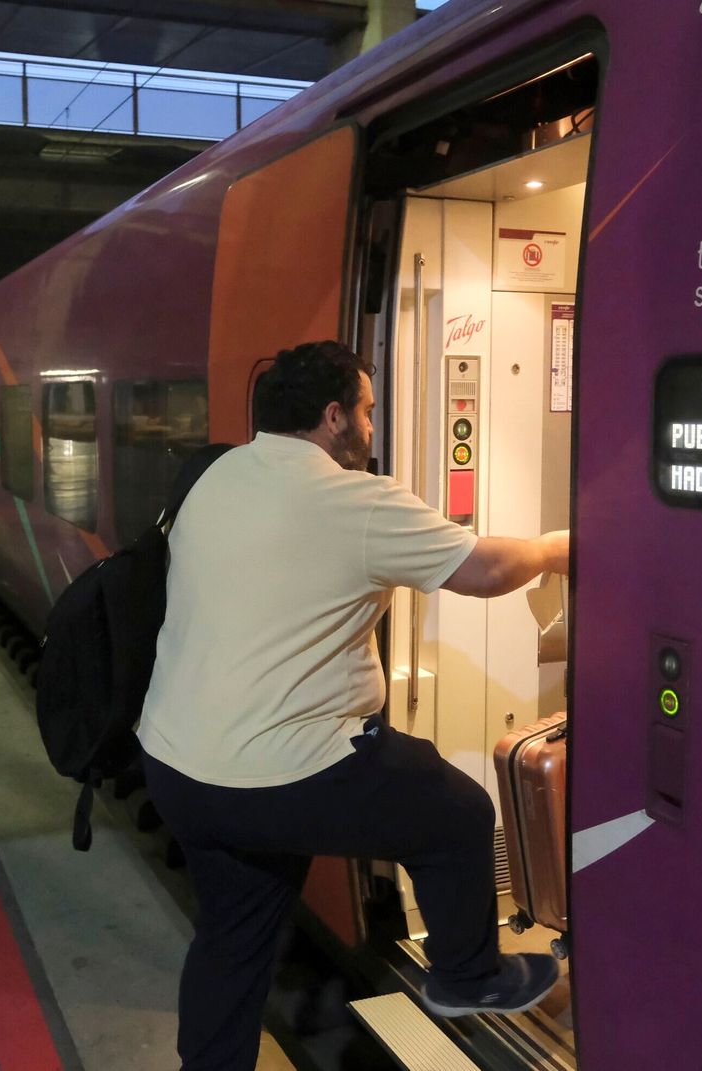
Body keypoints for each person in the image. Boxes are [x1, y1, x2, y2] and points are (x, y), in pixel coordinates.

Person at [138, 339, 571, 1071]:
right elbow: (485, 569)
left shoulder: (214, 474)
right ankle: (467, 977)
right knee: (455, 814)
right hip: (278, 770)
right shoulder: (356, 498)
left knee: (234, 936)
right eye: (368, 410)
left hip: (178, 764)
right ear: (334, 416)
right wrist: (557, 548)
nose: (372, 425)